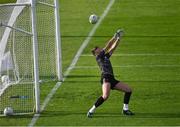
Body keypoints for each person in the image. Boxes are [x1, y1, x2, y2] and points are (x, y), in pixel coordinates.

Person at [87, 29, 134, 118]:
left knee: (128, 90)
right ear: (96, 52)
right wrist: (114, 36)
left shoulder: (105, 56)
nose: (100, 48)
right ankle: (91, 111)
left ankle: (125, 109)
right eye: (98, 48)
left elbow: (112, 48)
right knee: (105, 96)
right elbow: (108, 46)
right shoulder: (99, 56)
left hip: (112, 78)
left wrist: (118, 39)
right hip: (106, 77)